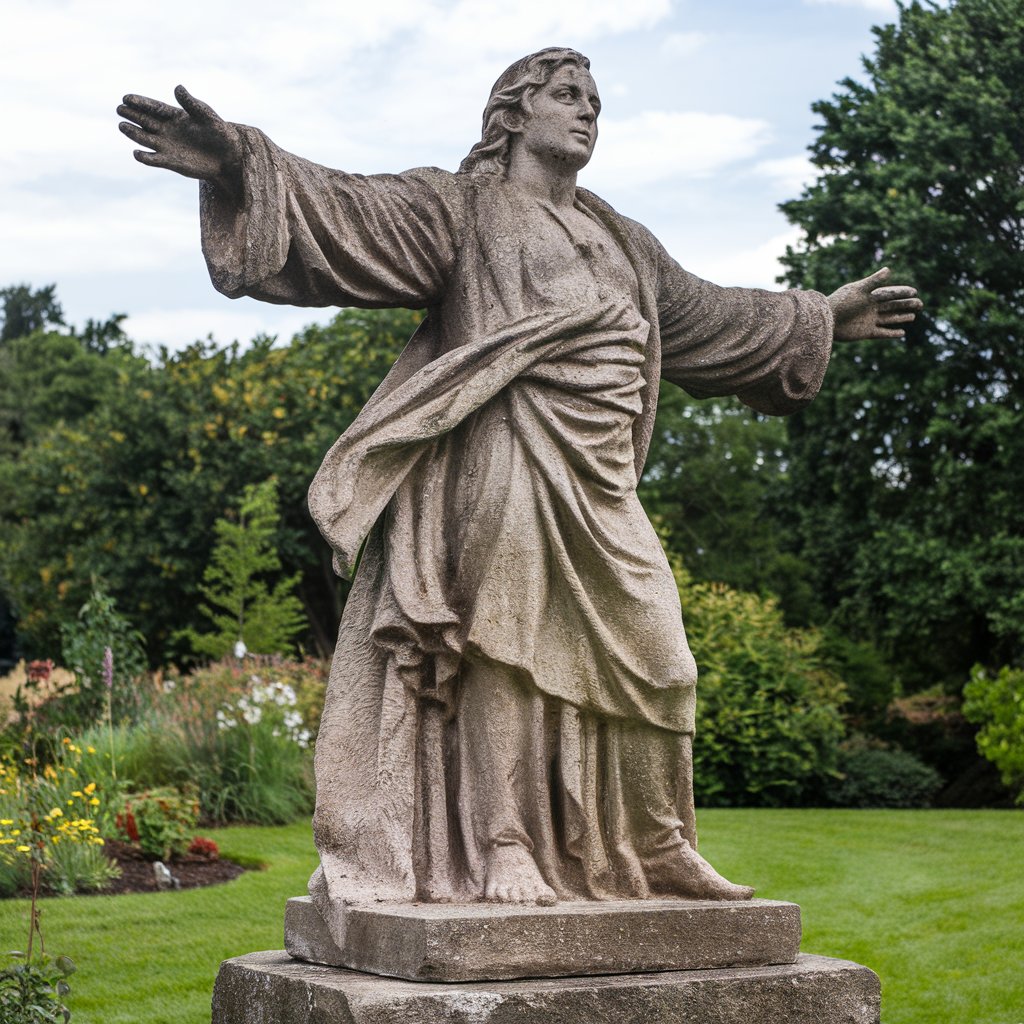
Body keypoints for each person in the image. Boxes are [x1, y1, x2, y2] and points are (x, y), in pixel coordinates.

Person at [118, 48, 921, 928]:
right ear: (514, 112)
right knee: (502, 642)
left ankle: (658, 841)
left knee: (664, 654)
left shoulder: (624, 240)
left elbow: (708, 316)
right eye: (567, 95)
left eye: (595, 100)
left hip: (603, 476)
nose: (587, 111)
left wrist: (815, 316)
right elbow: (352, 213)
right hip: (504, 456)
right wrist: (243, 160)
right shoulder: (461, 209)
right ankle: (503, 842)